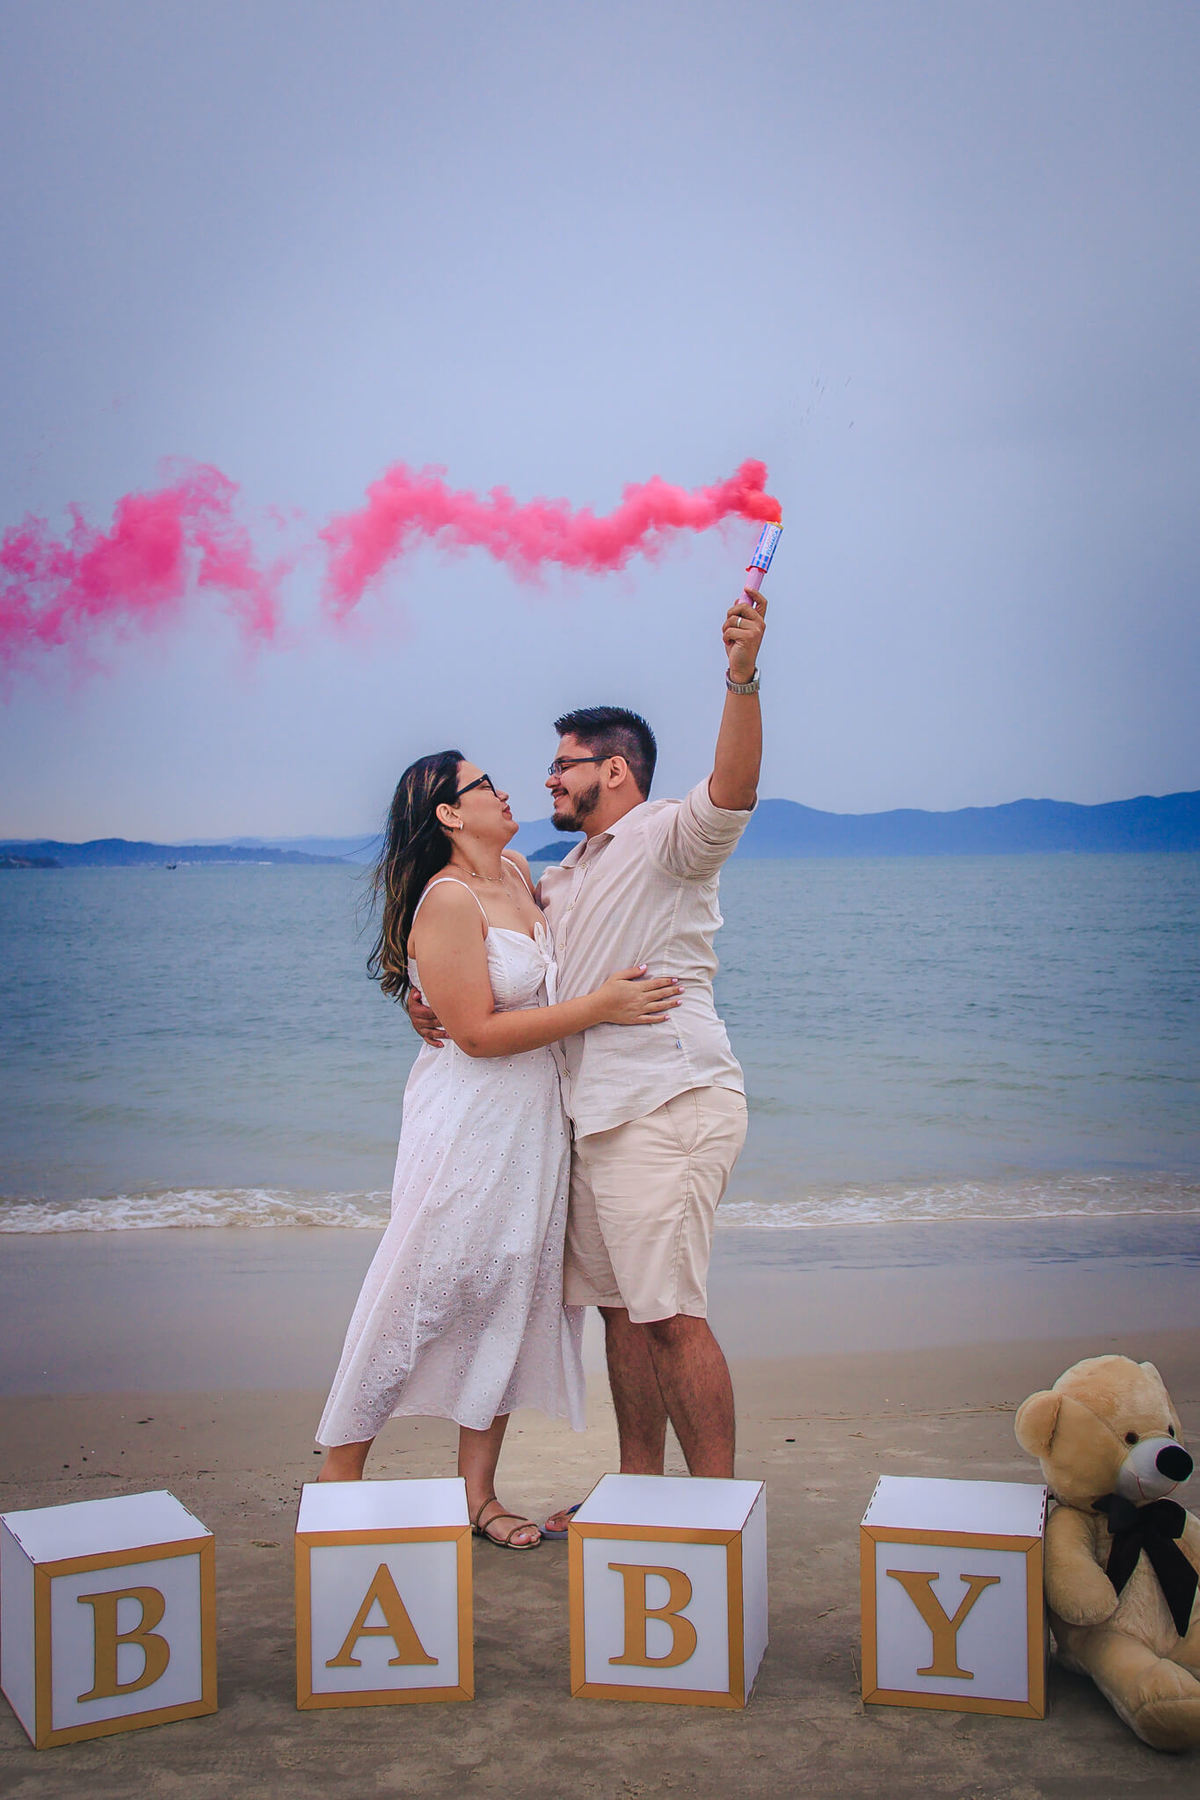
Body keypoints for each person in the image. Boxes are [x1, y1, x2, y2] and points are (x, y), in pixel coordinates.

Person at [411, 586, 767, 1530]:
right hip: (593, 1122)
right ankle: (638, 1491)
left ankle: (720, 1516)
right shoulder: (560, 878)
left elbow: (733, 788)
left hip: (666, 1104)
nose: (547, 781)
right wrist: (425, 996)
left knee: (671, 1313)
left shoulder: (665, 839)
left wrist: (741, 677)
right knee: (622, 1311)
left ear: (614, 770)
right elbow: (493, 962)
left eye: (563, 765)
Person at [316, 751, 681, 1550]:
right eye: (484, 785)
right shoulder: (448, 898)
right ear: (449, 813)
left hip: (535, 1124)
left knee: (506, 1298)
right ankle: (339, 1476)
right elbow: (477, 1035)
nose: (505, 791)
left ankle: (477, 1496)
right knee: (422, 1289)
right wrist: (601, 1008)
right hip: (468, 1124)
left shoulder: (517, 874)